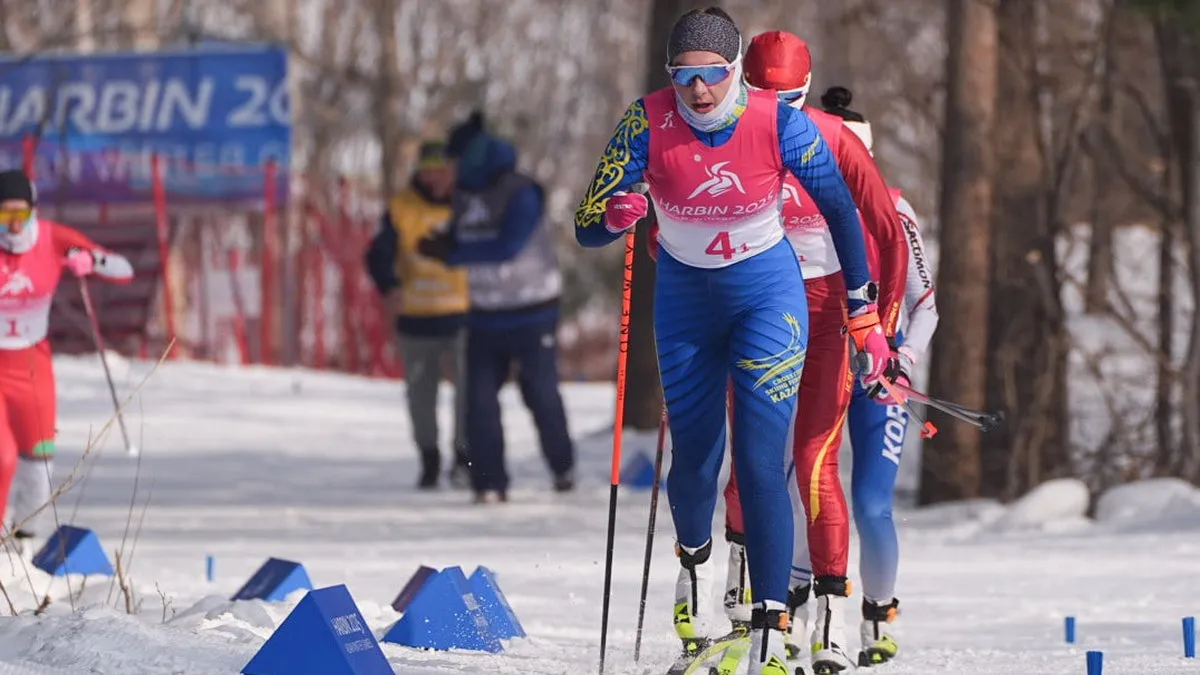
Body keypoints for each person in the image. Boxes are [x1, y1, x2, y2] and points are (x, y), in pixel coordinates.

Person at [574, 9, 893, 675]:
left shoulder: (775, 120)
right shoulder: (646, 120)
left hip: (766, 298)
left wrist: (862, 308)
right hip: (688, 304)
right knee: (694, 461)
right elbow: (585, 222)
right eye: (684, 76)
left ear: (735, 68)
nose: (699, 90)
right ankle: (692, 564)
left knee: (757, 460)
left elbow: (839, 207)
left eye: (713, 75)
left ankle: (771, 625)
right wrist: (614, 216)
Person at [717, 30, 911, 673]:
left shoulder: (836, 137)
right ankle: (746, 610)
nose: (775, 114)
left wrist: (878, 325)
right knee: (749, 459)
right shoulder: (719, 129)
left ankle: (828, 619)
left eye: (789, 101)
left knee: (813, 460)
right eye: (761, 97)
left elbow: (890, 233)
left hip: (828, 311)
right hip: (756, 306)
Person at [809, 84, 939, 668]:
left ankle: (878, 611)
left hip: (879, 378)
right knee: (803, 486)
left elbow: (926, 304)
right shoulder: (797, 202)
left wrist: (904, 361)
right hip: (819, 367)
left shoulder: (895, 209)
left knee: (871, 505)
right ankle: (792, 603)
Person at [417, 112, 576, 504]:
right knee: (478, 399)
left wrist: (453, 254)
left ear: (470, 158)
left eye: (452, 161)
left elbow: (508, 246)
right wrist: (442, 242)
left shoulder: (521, 191)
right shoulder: (464, 194)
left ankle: (562, 466)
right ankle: (488, 482)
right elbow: (464, 233)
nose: (447, 171)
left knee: (538, 391)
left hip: (532, 307)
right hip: (486, 311)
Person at [0, 169, 133, 549]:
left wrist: (89, 260)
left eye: (18, 215)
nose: (11, 226)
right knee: (2, 456)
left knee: (39, 460)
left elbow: (123, 269)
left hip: (32, 363)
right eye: (2, 216)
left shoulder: (54, 238)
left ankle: (23, 539)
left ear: (33, 211)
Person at [365, 139, 471, 490]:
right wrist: (388, 285)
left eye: (441, 172)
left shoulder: (467, 203)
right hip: (416, 316)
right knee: (420, 396)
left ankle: (464, 459)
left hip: (462, 314)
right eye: (428, 172)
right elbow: (378, 253)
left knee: (469, 392)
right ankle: (429, 459)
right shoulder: (402, 208)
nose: (435, 179)